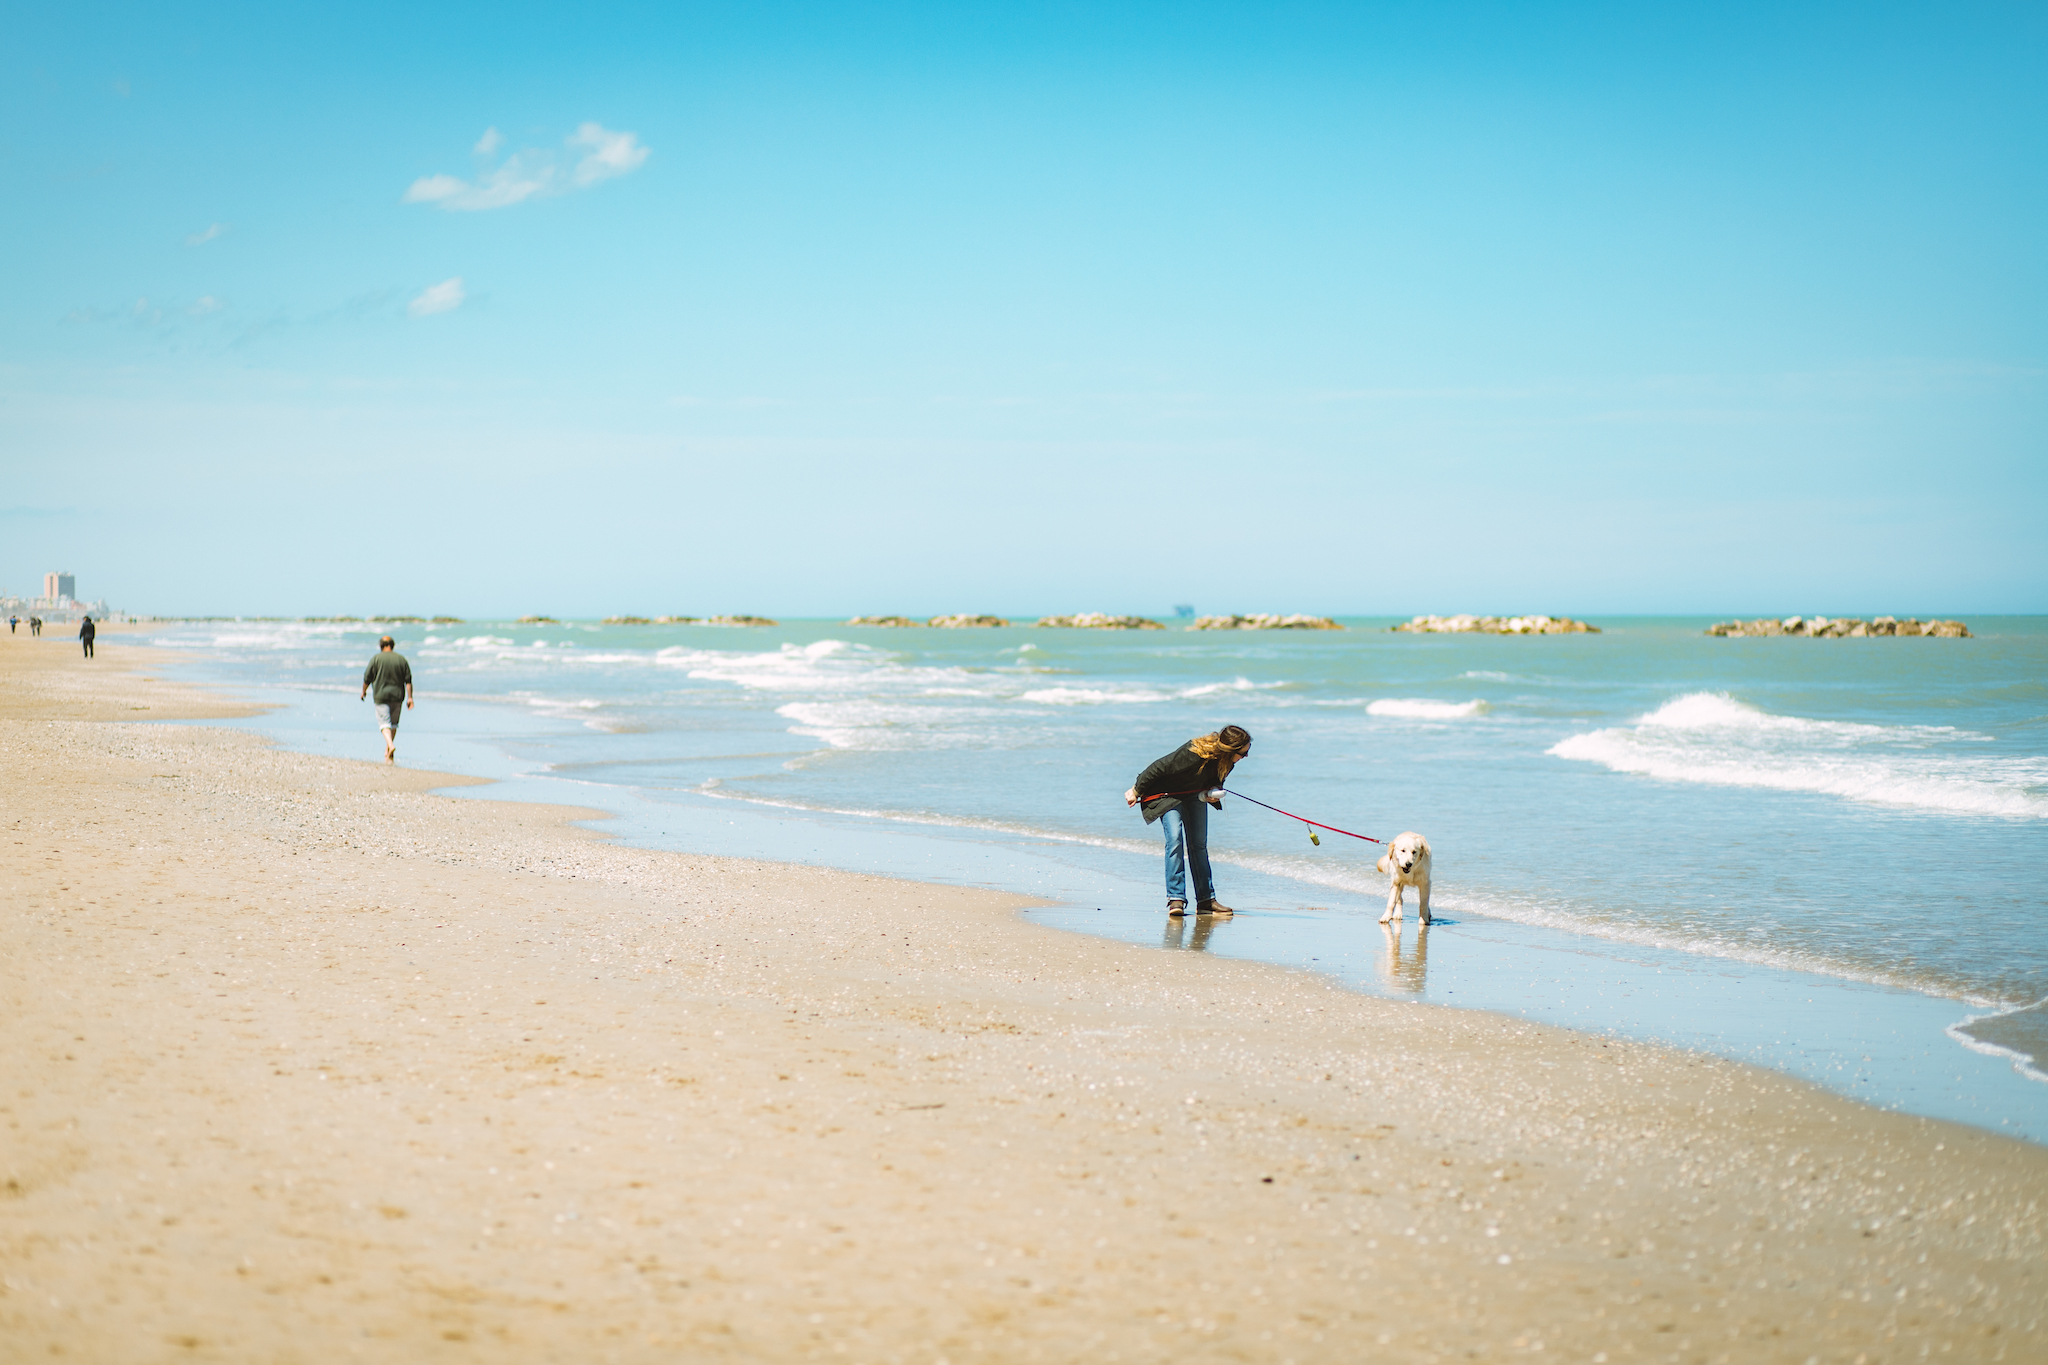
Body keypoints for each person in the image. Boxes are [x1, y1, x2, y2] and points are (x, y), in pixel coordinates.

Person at [1126, 725, 1252, 918]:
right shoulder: (1194, 753)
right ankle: (1176, 899)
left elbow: (1216, 780)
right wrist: (1136, 790)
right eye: (1244, 753)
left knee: (1199, 845)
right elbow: (1159, 767)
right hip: (1166, 794)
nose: (1245, 757)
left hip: (1195, 795)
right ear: (1231, 749)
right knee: (1175, 839)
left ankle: (1206, 901)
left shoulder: (1227, 762)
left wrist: (1214, 792)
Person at [359, 635, 415, 763]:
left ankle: (390, 745)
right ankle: (388, 749)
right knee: (393, 724)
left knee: (384, 723)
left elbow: (367, 677)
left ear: (381, 646)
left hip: (381, 696)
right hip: (397, 696)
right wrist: (410, 697)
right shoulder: (401, 659)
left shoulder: (376, 659)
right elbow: (408, 680)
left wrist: (363, 691)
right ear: (392, 645)